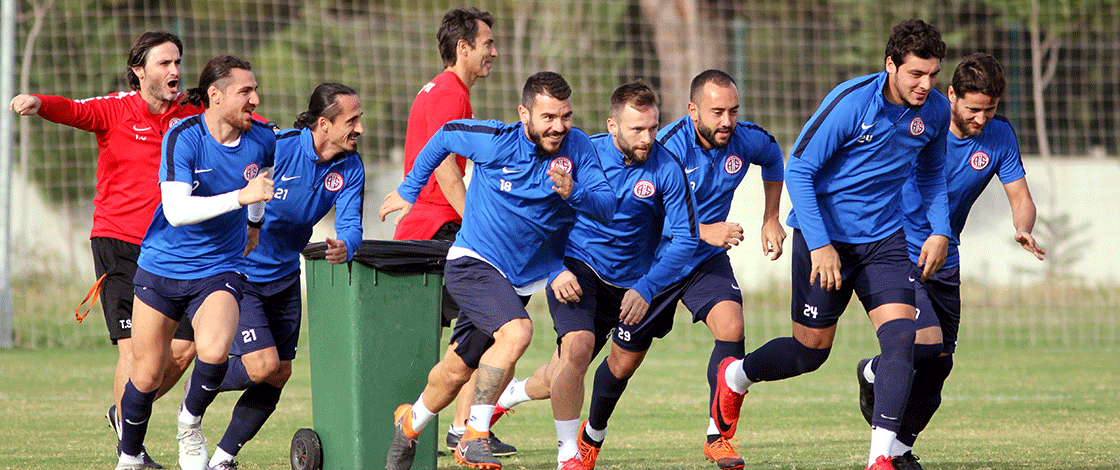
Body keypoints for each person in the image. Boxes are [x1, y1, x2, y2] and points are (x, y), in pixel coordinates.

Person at [501, 69, 787, 470]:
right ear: (692, 111)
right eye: (717, 111)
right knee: (605, 364)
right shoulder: (662, 147)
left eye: (733, 112)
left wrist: (771, 217)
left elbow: (774, 158)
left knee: (732, 326)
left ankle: (718, 436)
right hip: (643, 265)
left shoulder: (738, 141)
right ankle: (583, 434)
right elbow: (655, 220)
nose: (726, 121)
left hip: (686, 265)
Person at [711, 19, 953, 470]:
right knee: (810, 351)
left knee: (901, 338)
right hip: (822, 238)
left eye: (933, 75)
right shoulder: (851, 103)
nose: (926, 85)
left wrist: (940, 229)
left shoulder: (936, 112)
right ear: (890, 66)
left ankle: (880, 457)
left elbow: (932, 173)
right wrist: (820, 246)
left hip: (883, 239)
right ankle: (737, 376)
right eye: (916, 74)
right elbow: (799, 169)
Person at [379, 71, 615, 470]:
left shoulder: (577, 148)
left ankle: (410, 421)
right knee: (518, 332)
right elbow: (442, 137)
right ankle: (473, 435)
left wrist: (575, 192)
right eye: (548, 117)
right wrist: (409, 188)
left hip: (517, 279)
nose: (558, 126)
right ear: (524, 114)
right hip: (474, 262)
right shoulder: (494, 140)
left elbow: (607, 206)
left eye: (566, 116)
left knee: (456, 371)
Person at [9, 31, 202, 469]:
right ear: (139, 71)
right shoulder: (116, 109)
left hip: (176, 247)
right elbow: (74, 110)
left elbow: (241, 121)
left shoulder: (192, 114)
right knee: (135, 352)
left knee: (187, 347)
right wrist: (38, 102)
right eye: (164, 63)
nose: (174, 71)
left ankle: (124, 413)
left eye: (178, 62)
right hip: (120, 243)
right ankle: (130, 451)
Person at [493, 81, 699, 470]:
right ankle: (569, 455)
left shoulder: (667, 168)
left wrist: (647, 287)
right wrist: (553, 269)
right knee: (578, 347)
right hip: (577, 266)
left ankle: (510, 396)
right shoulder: (580, 153)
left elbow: (686, 239)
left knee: (562, 370)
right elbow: (536, 218)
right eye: (638, 129)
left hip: (629, 286)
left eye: (653, 128)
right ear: (613, 125)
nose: (648, 138)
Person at [854, 52, 1045, 470]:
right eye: (973, 109)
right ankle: (875, 374)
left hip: (946, 257)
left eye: (989, 109)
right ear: (952, 95)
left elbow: (1021, 198)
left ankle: (900, 450)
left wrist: (1023, 227)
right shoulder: (924, 126)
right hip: (899, 249)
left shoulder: (999, 135)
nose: (981, 118)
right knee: (923, 343)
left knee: (939, 367)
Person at [114, 55, 275, 470]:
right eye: (246, 91)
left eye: (255, 90)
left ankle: (189, 422)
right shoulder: (182, 135)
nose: (255, 99)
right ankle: (129, 456)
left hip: (219, 267)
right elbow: (176, 211)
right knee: (147, 375)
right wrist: (241, 200)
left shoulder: (262, 140)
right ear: (215, 95)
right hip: (162, 266)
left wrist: (253, 227)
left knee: (215, 348)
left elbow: (263, 184)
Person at [203, 82, 365, 469]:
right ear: (323, 123)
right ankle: (202, 379)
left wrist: (347, 247)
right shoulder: (280, 146)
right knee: (262, 365)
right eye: (352, 120)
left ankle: (222, 459)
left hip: (286, 278)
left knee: (279, 373)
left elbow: (351, 226)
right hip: (240, 273)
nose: (360, 128)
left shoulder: (350, 167)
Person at [391, 7, 513, 456]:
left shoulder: (445, 90)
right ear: (463, 48)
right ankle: (458, 426)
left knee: (481, 324)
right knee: (492, 319)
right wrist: (476, 227)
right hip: (436, 228)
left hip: (432, 226)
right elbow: (444, 167)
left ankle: (461, 426)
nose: (494, 53)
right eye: (487, 44)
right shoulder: (449, 93)